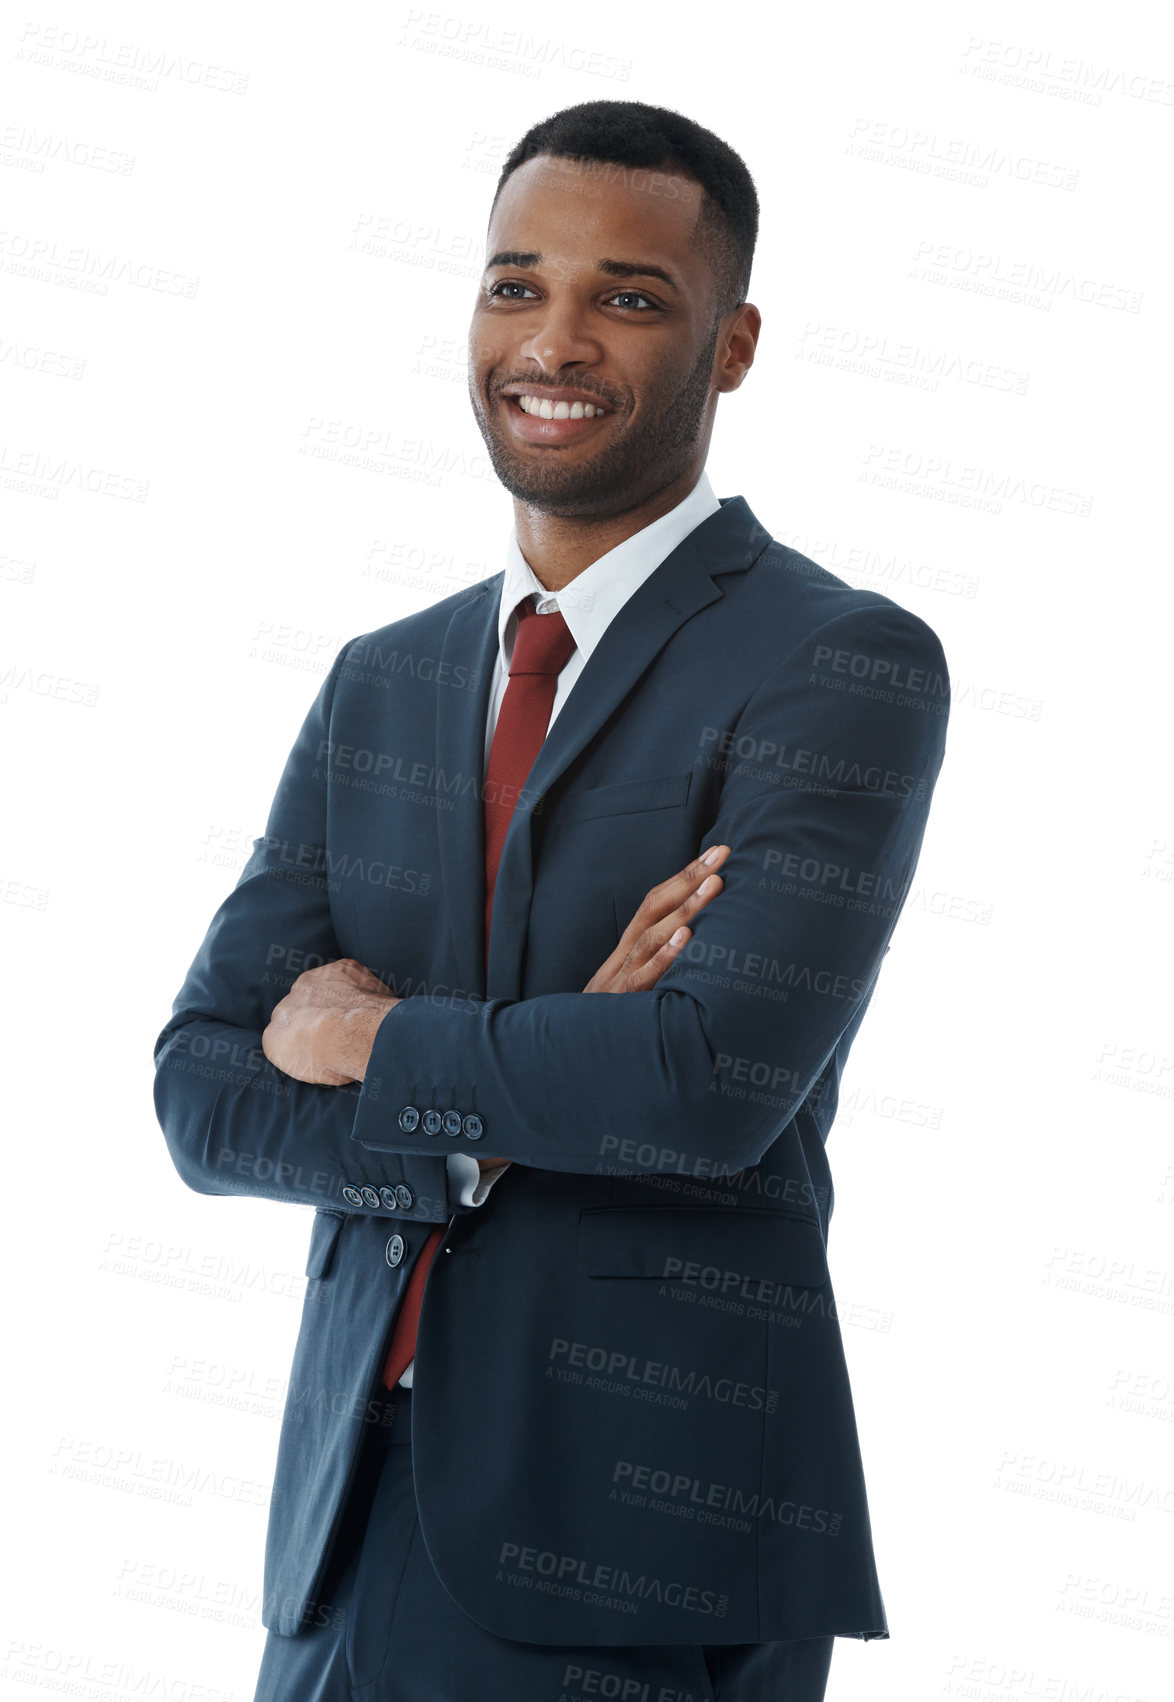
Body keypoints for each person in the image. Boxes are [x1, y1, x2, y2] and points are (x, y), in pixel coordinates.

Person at [154, 99, 951, 1702]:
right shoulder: (384, 679)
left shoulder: (834, 662)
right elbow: (203, 1092)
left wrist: (379, 1040)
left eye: (628, 297)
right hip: (338, 1530)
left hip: (629, 1547)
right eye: (515, 283)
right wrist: (511, 1085)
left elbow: (699, 1083)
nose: (555, 338)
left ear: (729, 346)